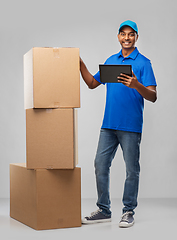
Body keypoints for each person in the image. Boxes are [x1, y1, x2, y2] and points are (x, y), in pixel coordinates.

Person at [80, 20, 157, 228]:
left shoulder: (143, 63)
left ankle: (128, 211)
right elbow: (91, 84)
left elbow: (153, 96)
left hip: (131, 126)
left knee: (132, 170)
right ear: (118, 37)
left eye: (131, 34)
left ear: (136, 37)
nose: (127, 38)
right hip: (108, 125)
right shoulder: (111, 61)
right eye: (123, 34)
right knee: (100, 164)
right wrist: (79, 63)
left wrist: (136, 84)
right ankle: (104, 210)